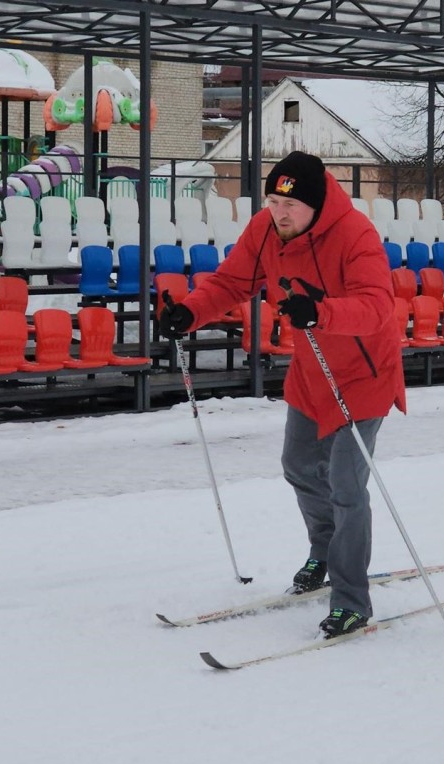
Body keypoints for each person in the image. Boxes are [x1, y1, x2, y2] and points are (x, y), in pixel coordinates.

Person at [160, 151, 406, 638]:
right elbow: (232, 281)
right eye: (273, 200)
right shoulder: (265, 231)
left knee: (345, 486)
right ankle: (323, 553)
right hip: (312, 371)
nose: (280, 212)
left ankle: (352, 600)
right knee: (298, 466)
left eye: (290, 204)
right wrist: (189, 313)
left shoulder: (356, 235)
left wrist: (321, 311)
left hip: (362, 375)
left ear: (316, 205)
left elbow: (377, 307)